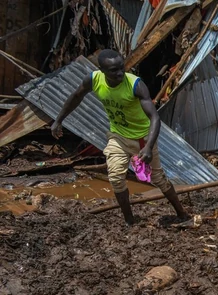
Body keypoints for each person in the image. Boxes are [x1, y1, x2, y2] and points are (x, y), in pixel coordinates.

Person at [51, 49, 190, 226]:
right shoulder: (94, 80)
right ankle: (129, 221)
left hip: (142, 139)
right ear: (102, 70)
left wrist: (148, 147)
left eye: (121, 68)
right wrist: (58, 120)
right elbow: (76, 96)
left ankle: (181, 213)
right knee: (116, 178)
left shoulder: (135, 85)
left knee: (158, 179)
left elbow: (154, 117)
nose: (120, 73)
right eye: (114, 70)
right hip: (118, 137)